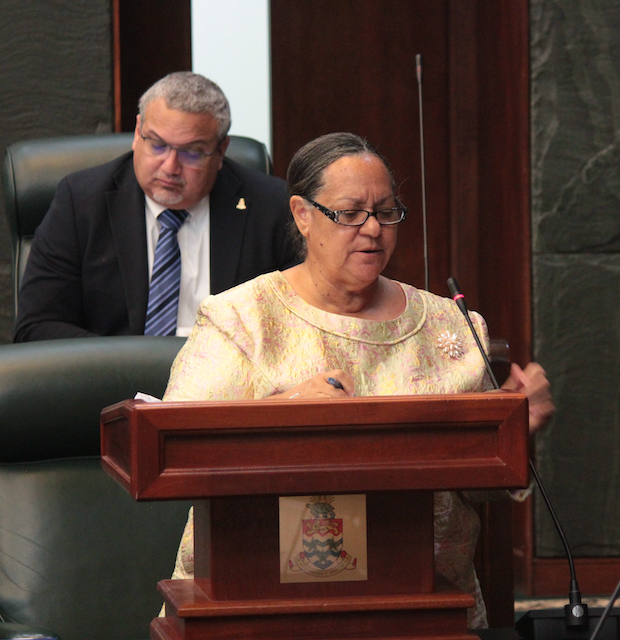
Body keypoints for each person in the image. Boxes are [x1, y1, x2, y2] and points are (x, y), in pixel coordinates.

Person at [161, 132, 554, 629]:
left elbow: (477, 489)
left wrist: (515, 432)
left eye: (386, 212)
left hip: (422, 603)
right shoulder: (241, 318)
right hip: (259, 602)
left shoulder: (450, 326)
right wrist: (280, 410)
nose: (373, 230)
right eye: (350, 213)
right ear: (303, 215)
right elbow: (176, 450)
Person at [14, 71, 299, 342]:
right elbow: (37, 327)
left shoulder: (270, 207)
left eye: (191, 152)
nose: (170, 167)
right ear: (138, 133)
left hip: (230, 386)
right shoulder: (81, 202)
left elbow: (304, 322)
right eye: (158, 145)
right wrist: (130, 363)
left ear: (220, 151)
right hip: (117, 383)